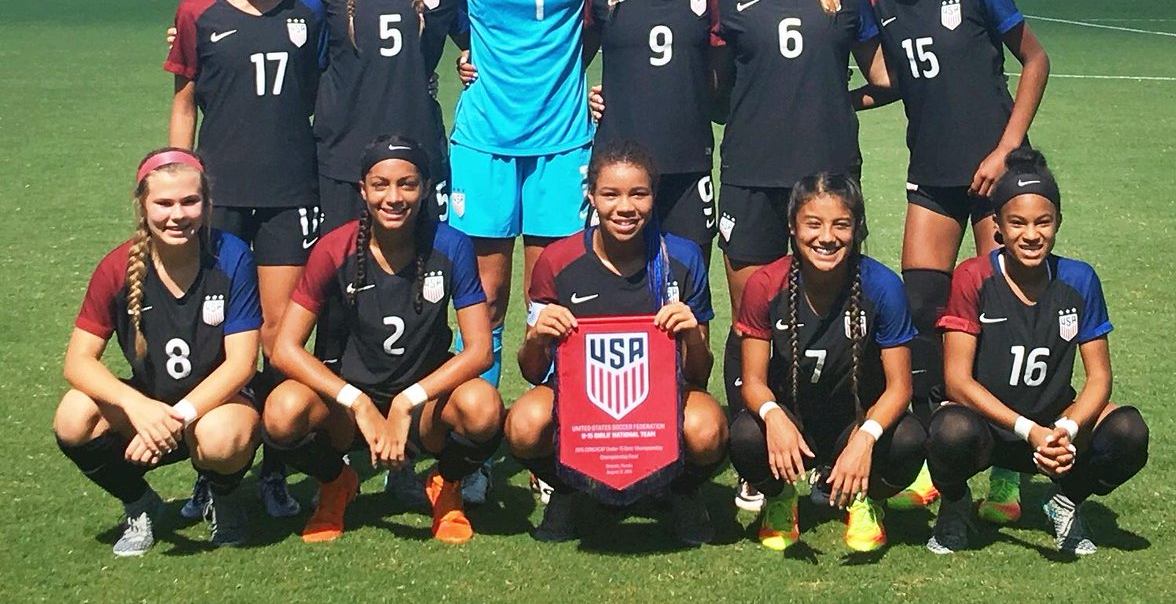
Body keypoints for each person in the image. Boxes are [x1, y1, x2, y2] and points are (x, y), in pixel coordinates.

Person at [708, 0, 891, 511]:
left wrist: (833, 105)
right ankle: (757, 463)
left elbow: (885, 78)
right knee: (755, 324)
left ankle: (834, 452)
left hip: (829, 185)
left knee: (841, 323)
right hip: (752, 181)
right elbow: (715, 91)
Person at [868, 0, 1050, 512]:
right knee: (919, 308)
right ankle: (927, 454)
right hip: (933, 177)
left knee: (998, 313)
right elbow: (888, 83)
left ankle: (1007, 464)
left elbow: (1036, 59)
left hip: (997, 179)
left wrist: (1005, 151)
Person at [438, 0, 616, 424]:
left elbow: (626, 0)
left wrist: (603, 76)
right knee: (485, 299)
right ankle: (474, 432)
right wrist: (463, 46)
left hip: (564, 141)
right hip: (485, 138)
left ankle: (558, 435)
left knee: (556, 300)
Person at [164, 0, 327, 519]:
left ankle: (277, 468)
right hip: (220, 198)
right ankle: (215, 468)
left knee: (276, 336)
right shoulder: (196, 12)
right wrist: (178, 179)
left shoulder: (306, 10)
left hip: (290, 196)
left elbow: (318, 92)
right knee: (217, 338)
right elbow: (184, 103)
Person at [262, 136, 503, 544]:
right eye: (381, 185)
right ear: (363, 190)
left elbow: (479, 350)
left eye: (407, 184)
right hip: (351, 409)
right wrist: (356, 402)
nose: (394, 197)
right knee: (282, 411)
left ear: (426, 188)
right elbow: (284, 348)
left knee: (483, 407)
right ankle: (336, 482)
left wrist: (409, 400)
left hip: (422, 409)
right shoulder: (334, 248)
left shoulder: (450, 244)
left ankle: (446, 486)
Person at [926, 148, 1148, 555]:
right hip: (989, 427)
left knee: (1129, 431)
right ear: (997, 227)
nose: (1032, 234)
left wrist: (1066, 430)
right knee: (948, 430)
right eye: (1018, 223)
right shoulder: (972, 277)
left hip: (1054, 429)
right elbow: (956, 380)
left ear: (1058, 222)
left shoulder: (1079, 280)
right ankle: (955, 505)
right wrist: (1029, 430)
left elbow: (1099, 377)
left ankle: (1065, 501)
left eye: (1043, 222)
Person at [505, 140, 727, 547]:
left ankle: (680, 492)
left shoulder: (681, 257)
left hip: (661, 397)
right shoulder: (557, 259)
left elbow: (698, 374)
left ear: (653, 196)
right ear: (591, 195)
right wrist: (538, 337)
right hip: (580, 397)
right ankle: (569, 489)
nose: (625, 207)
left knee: (707, 428)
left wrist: (692, 335)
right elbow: (531, 371)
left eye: (638, 193)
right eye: (610, 194)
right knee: (524, 423)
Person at [53, 149, 262, 555]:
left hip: (219, 406)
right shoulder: (116, 267)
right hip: (151, 404)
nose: (177, 215)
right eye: (164, 203)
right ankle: (140, 503)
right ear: (142, 205)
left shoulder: (232, 255)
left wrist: (175, 418)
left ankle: (222, 497)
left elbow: (242, 364)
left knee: (222, 438)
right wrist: (138, 407)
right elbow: (77, 361)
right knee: (73, 417)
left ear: (208, 204)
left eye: (190, 201)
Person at [729, 172, 925, 554]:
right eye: (813, 224)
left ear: (857, 228)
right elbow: (752, 381)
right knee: (744, 435)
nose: (826, 237)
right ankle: (781, 499)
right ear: (792, 227)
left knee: (909, 439)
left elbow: (900, 387)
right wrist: (773, 416)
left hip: (854, 420)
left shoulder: (881, 286)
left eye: (841, 224)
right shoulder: (765, 284)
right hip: (795, 420)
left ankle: (868, 500)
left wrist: (865, 437)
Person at [303, 0, 465, 232]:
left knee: (419, 277)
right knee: (340, 277)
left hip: (418, 151)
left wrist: (468, 55)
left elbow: (481, 36)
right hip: (342, 154)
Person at [584, 0, 722, 262]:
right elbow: (570, 55)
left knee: (688, 288)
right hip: (618, 169)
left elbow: (718, 67)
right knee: (616, 282)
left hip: (688, 163)